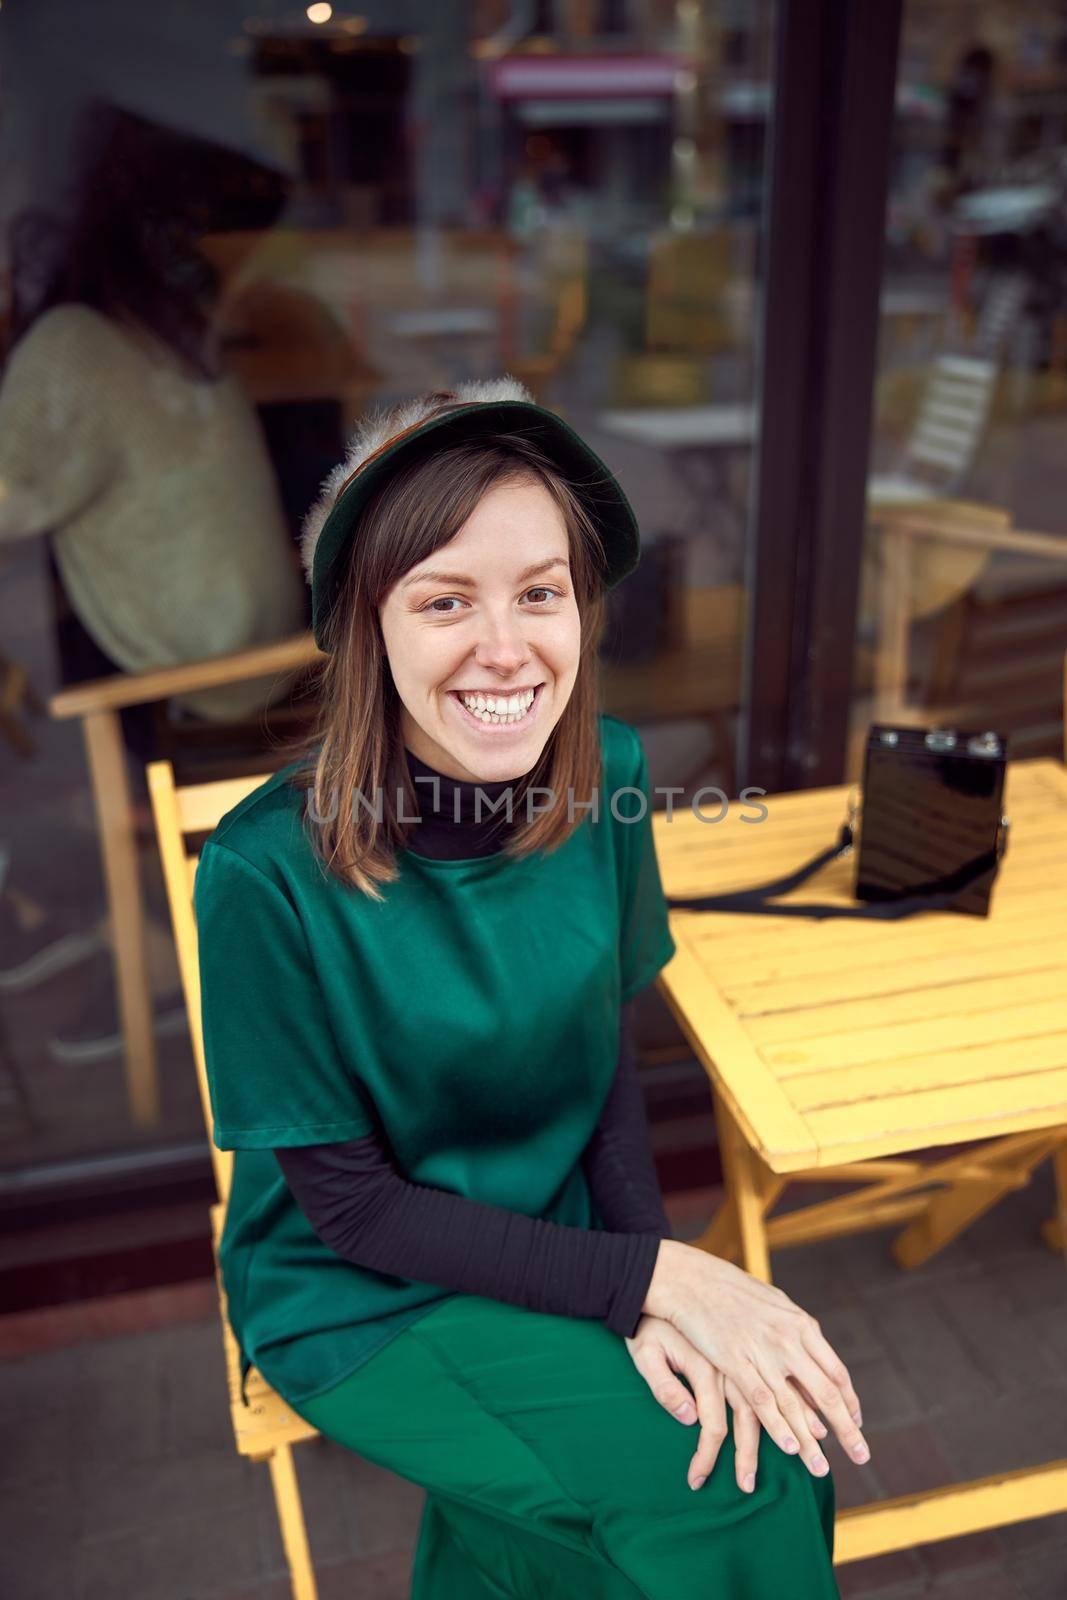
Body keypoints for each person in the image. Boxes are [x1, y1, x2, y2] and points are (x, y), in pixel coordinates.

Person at [194, 377, 869, 1598]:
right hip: (359, 1294)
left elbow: (602, 1061)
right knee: (725, 1482)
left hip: (550, 1227)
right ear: (365, 626)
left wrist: (648, 1272)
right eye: (445, 599)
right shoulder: (262, 875)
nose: (505, 648)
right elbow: (350, 1211)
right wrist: (653, 1282)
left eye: (540, 593)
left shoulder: (604, 777)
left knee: (771, 1431)